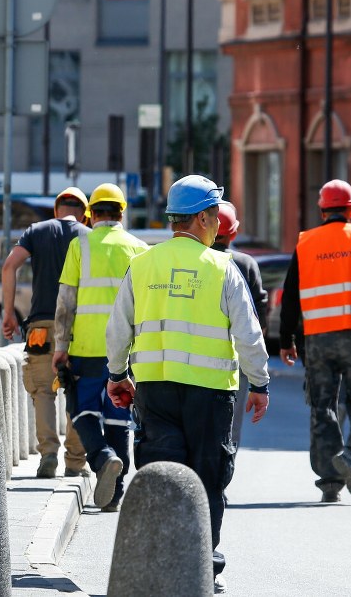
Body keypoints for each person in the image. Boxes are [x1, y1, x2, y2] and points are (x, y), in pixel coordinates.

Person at [105, 175, 270, 593]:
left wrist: (116, 374)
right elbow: (249, 335)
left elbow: (117, 328)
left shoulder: (142, 264)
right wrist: (260, 383)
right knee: (207, 479)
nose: (218, 224)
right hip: (211, 394)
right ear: (201, 217)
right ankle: (202, 568)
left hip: (155, 390)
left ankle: (159, 564)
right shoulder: (222, 268)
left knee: (162, 472)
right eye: (215, 216)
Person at [278, 180, 351, 502]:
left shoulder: (306, 243)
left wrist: (287, 339)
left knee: (323, 407)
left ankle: (330, 483)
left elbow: (290, 297)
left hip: (318, 340)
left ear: (321, 210)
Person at [52, 183, 149, 511]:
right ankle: (115, 494)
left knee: (81, 410)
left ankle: (102, 457)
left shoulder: (81, 246)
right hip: (126, 350)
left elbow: (66, 301)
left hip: (87, 347)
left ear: (91, 214)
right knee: (119, 417)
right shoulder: (139, 248)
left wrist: (60, 345)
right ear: (122, 212)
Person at [2, 186, 91, 478]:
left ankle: (49, 454)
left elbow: (9, 266)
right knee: (76, 391)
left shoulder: (36, 230)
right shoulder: (88, 236)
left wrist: (8, 314)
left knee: (43, 391)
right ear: (84, 214)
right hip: (79, 327)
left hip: (40, 325)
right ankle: (75, 461)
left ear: (56, 210)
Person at [210, 201, 269, 446]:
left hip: (194, 358)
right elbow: (259, 318)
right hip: (236, 358)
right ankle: (221, 477)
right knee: (230, 429)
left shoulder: (197, 261)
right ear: (233, 232)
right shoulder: (244, 264)